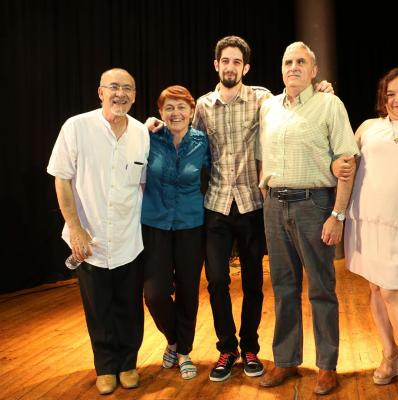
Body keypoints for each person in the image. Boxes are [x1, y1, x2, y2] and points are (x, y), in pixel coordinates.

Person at [147, 35, 334, 382]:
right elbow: (184, 136)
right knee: (217, 280)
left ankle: (250, 347)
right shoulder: (201, 105)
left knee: (252, 283)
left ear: (245, 67)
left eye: (237, 62)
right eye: (225, 61)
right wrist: (152, 127)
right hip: (216, 204)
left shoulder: (263, 99)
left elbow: (295, 101)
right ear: (216, 65)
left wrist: (321, 87)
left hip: (252, 203)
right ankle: (226, 347)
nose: (230, 67)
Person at [257, 41, 359, 396]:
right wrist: (265, 192)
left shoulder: (330, 104)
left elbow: (347, 162)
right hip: (274, 205)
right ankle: (285, 360)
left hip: (313, 205)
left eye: (301, 61)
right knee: (283, 288)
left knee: (321, 289)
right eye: (288, 61)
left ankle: (327, 366)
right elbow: (261, 156)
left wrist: (338, 215)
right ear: (281, 68)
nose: (293, 67)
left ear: (314, 71)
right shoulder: (268, 107)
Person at [47, 68, 149, 395]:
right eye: (114, 87)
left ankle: (128, 363)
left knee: (130, 306)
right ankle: (105, 366)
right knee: (98, 307)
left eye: (127, 89)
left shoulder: (141, 133)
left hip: (129, 238)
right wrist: (75, 229)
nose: (120, 94)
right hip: (88, 240)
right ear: (100, 92)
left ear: (134, 95)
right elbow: (61, 178)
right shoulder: (76, 127)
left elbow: (144, 186)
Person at [337, 67, 398, 400]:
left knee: (393, 291)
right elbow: (344, 162)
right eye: (390, 94)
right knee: (375, 289)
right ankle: (389, 354)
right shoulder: (369, 127)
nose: (397, 99)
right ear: (383, 99)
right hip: (364, 219)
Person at [141, 85, 210, 380]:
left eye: (181, 107)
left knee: (188, 292)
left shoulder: (202, 142)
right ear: (160, 113)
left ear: (192, 111)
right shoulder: (149, 139)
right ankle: (173, 339)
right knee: (155, 294)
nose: (175, 113)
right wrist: (143, 127)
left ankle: (183, 352)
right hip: (155, 224)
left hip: (191, 225)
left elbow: (213, 175)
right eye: (169, 107)